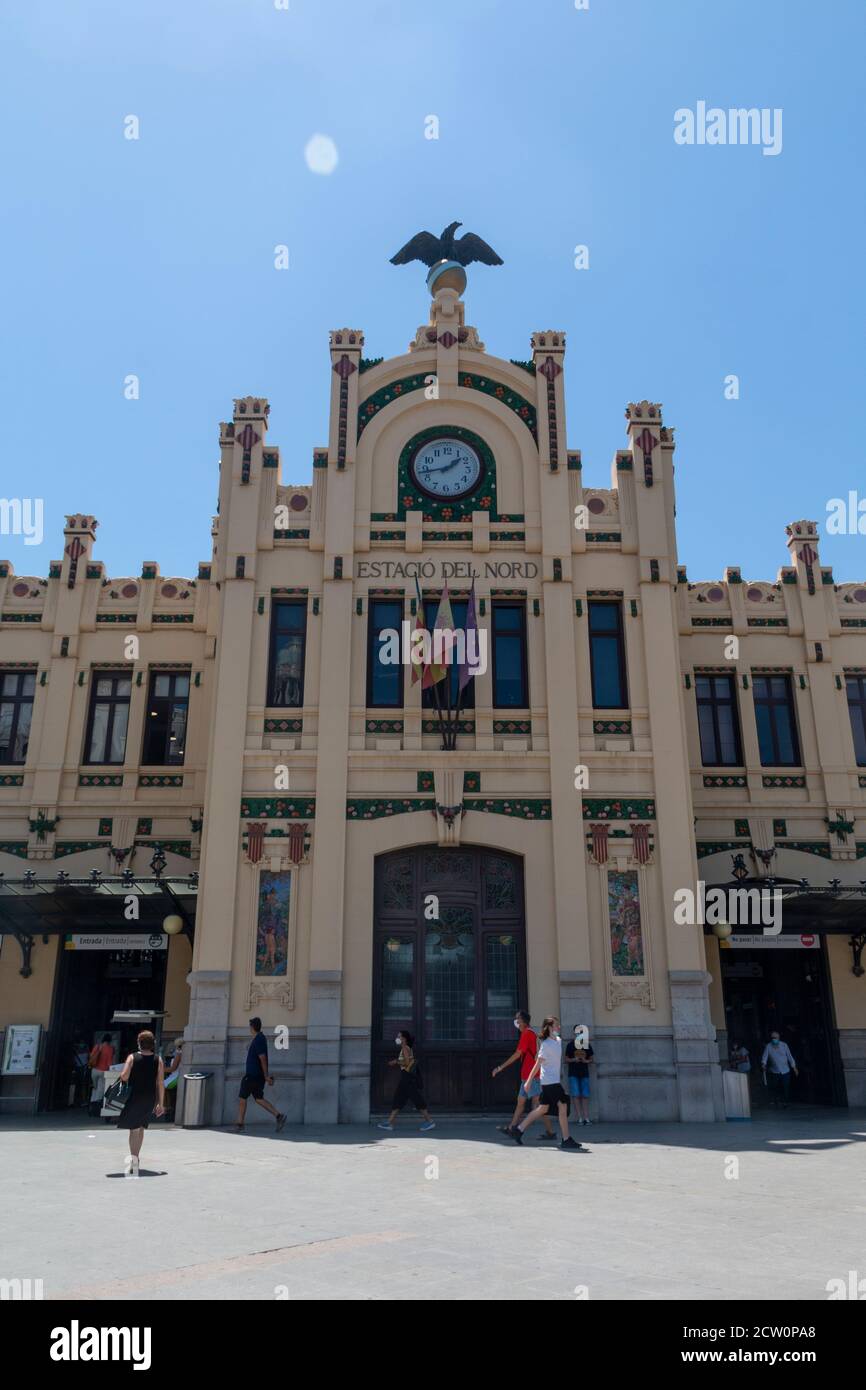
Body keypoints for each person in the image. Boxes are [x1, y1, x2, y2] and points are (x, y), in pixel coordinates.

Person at [507, 1017, 586, 1151]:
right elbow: (537, 1065)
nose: (559, 1027)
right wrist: (529, 1081)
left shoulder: (558, 1041)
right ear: (549, 1027)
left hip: (553, 1081)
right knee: (562, 1105)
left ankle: (518, 1130)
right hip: (549, 1082)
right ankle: (566, 1139)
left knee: (542, 1109)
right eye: (556, 1025)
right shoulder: (546, 1045)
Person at [492, 1010, 556, 1141]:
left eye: (518, 1020)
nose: (516, 1023)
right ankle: (512, 1128)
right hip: (528, 1075)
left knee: (539, 1106)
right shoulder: (530, 1033)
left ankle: (549, 1132)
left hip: (532, 1076)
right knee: (521, 1103)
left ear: (523, 1022)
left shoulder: (527, 1034)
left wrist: (500, 1067)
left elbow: (517, 1054)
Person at [115, 1031, 166, 1178]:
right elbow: (161, 1083)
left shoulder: (132, 1057)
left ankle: (134, 1159)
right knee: (141, 1127)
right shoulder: (158, 1059)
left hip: (134, 1096)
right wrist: (160, 1104)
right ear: (152, 1044)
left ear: (139, 1042)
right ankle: (136, 1157)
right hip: (149, 1098)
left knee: (134, 1129)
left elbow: (124, 1076)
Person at [234, 1018, 286, 1133]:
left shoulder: (258, 1040)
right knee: (259, 1099)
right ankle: (279, 1116)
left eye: (250, 1026)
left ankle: (240, 1124)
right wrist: (265, 1076)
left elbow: (262, 1058)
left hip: (252, 1075)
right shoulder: (259, 1038)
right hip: (256, 1076)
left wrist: (266, 1076)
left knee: (242, 1098)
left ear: (252, 1027)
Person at [378, 1030, 435, 1132]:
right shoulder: (405, 1048)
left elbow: (407, 1062)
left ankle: (429, 1121)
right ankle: (390, 1122)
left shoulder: (405, 1048)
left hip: (407, 1077)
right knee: (398, 1099)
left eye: (399, 1036)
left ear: (404, 1039)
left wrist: (396, 1061)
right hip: (406, 1077)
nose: (397, 1038)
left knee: (416, 1099)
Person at [564, 1025, 595, 1125]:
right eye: (577, 1032)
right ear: (574, 1033)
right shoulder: (570, 1045)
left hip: (584, 1073)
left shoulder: (586, 1044)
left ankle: (586, 1117)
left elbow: (591, 1058)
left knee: (585, 1095)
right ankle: (580, 1118)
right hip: (573, 1073)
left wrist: (586, 1061)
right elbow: (566, 1059)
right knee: (576, 1095)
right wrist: (574, 1059)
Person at [761, 1031, 797, 1106]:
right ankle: (776, 1100)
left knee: (786, 1086)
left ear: (779, 1038)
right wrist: (763, 1064)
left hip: (785, 1070)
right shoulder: (768, 1046)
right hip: (775, 1071)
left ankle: (786, 1102)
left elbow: (789, 1056)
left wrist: (794, 1067)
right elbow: (765, 1057)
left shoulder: (784, 1045)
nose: (774, 1039)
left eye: (775, 1037)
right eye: (773, 1038)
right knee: (775, 1087)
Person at [88, 1033, 115, 1116]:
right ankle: (96, 1108)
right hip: (103, 1071)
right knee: (100, 1089)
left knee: (95, 1088)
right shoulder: (110, 1049)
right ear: (110, 1040)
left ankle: (91, 1107)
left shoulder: (97, 1046)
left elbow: (91, 1056)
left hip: (94, 1070)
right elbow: (109, 1062)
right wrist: (112, 1070)